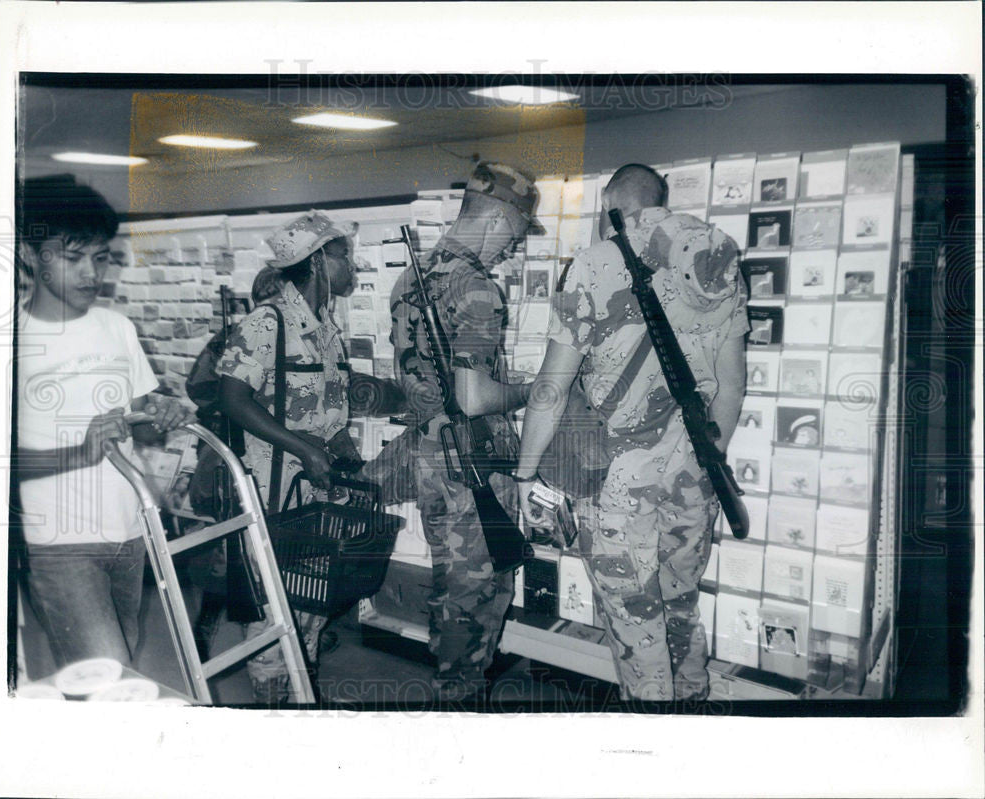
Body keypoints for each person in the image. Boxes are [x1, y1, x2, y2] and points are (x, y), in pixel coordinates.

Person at [514, 164, 748, 702]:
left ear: (609, 205)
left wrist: (527, 474)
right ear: (661, 200)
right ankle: (691, 708)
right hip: (696, 476)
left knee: (634, 617)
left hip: (618, 483)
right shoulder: (716, 259)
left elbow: (551, 387)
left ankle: (651, 744)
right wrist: (705, 464)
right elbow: (731, 390)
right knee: (681, 604)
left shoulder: (595, 265)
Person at [15, 177, 193, 669]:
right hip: (57, 542)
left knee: (110, 669)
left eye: (100, 257)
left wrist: (163, 413)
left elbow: (144, 422)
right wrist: (79, 452)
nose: (92, 273)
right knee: (108, 678)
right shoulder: (8, 339)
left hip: (128, 527)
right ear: (30, 254)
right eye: (73, 259)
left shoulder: (117, 327)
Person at [387, 162, 543, 702]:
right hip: (470, 460)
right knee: (477, 592)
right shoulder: (475, 286)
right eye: (519, 234)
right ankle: (459, 700)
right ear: (501, 219)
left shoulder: (411, 277)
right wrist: (539, 390)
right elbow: (474, 397)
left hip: (433, 456)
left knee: (454, 585)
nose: (514, 248)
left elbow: (414, 376)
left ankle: (455, 684)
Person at [216, 210, 360, 704]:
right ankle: (272, 706)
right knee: (270, 609)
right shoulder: (268, 322)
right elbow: (233, 398)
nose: (351, 265)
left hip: (316, 495)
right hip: (274, 496)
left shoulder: (325, 328)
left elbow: (321, 405)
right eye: (344, 254)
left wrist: (337, 441)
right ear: (319, 261)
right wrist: (301, 446)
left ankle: (303, 698)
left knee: (310, 602)